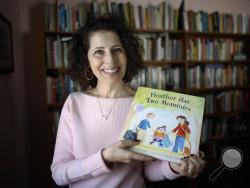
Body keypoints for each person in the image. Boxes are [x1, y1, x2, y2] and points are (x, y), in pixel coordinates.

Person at [51, 15, 205, 188]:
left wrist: (173, 167)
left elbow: (147, 170)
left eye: (117, 49)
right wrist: (104, 157)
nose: (110, 60)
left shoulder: (146, 104)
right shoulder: (74, 103)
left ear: (127, 54)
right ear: (86, 60)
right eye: (99, 52)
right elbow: (59, 174)